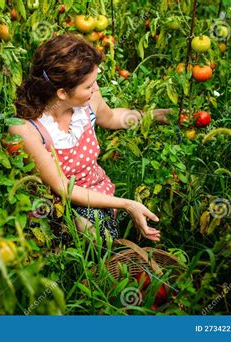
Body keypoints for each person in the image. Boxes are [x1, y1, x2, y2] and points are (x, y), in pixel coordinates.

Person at [10, 34, 171, 245]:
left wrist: (155, 115)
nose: (95, 89)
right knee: (88, 232)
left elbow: (112, 117)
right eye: (88, 86)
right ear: (62, 93)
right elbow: (62, 187)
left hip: (97, 192)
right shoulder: (28, 128)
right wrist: (127, 204)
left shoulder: (87, 102)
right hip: (54, 205)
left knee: (97, 232)